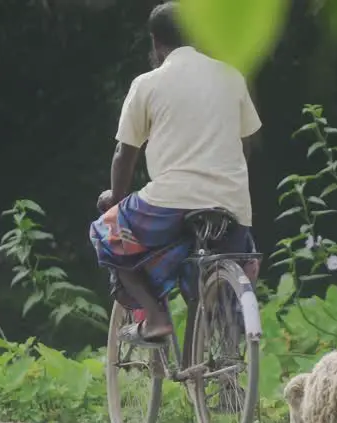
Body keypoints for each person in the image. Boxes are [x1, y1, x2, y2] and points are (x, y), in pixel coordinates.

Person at [90, 1, 261, 346]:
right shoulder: (231, 75)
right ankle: (228, 367)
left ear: (155, 42)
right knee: (219, 267)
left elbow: (125, 153)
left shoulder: (148, 83)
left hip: (171, 202)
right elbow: (247, 143)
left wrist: (116, 198)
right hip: (232, 204)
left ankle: (154, 317)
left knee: (106, 232)